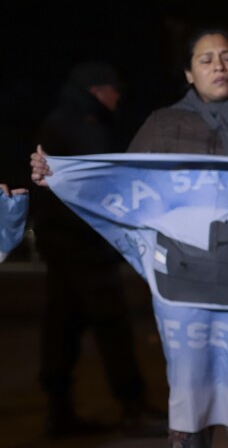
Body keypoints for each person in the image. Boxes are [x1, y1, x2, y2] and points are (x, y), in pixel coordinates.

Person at [32, 30, 228, 447]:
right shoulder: (163, 124)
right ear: (189, 74)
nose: (218, 66)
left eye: (227, 57)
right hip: (186, 290)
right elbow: (122, 185)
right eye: (206, 59)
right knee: (193, 389)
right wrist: (61, 175)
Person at [29, 62, 163, 437]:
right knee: (112, 328)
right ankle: (132, 407)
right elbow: (100, 187)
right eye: (114, 89)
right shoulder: (84, 124)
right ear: (96, 90)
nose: (118, 97)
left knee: (63, 328)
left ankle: (60, 412)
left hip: (64, 245)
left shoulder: (63, 119)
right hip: (83, 247)